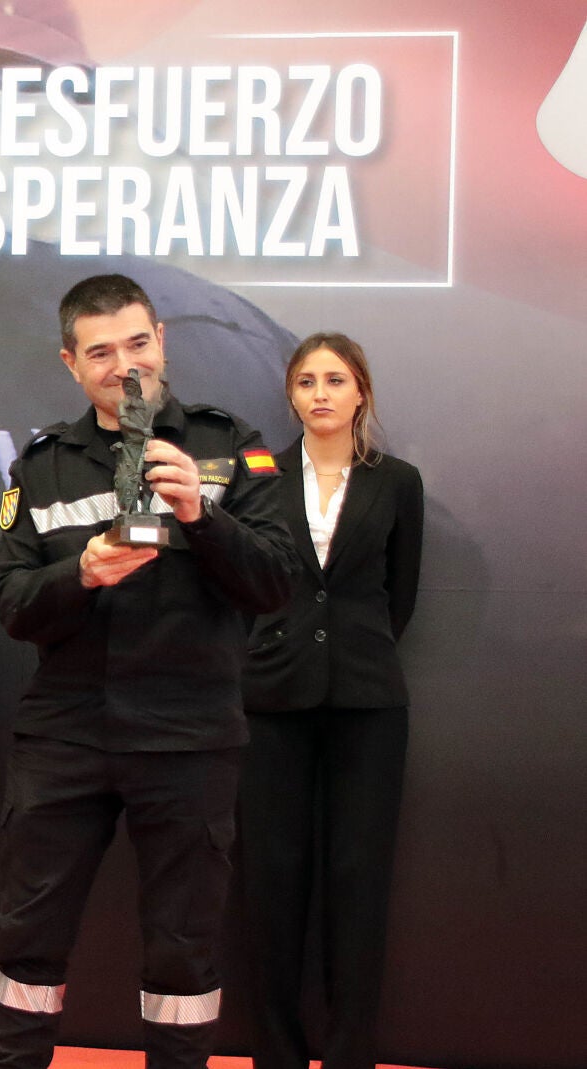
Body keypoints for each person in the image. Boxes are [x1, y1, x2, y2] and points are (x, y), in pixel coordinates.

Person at [0, 273, 297, 1068]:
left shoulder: (234, 445)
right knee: (29, 933)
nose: (123, 365)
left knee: (185, 945)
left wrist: (202, 513)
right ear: (70, 362)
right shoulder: (43, 465)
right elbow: (11, 602)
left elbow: (275, 583)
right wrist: (82, 572)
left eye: (136, 343)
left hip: (190, 736)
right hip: (65, 736)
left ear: (162, 339)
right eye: (100, 352)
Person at [238, 334, 424, 1069]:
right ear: (290, 394)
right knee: (270, 882)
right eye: (307, 380)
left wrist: (348, 650)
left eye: (336, 379)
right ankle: (276, 1054)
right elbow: (241, 580)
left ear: (361, 392)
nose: (321, 393)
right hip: (270, 700)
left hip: (367, 702)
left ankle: (351, 1054)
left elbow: (398, 596)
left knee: (359, 881)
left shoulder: (397, 481)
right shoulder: (257, 474)